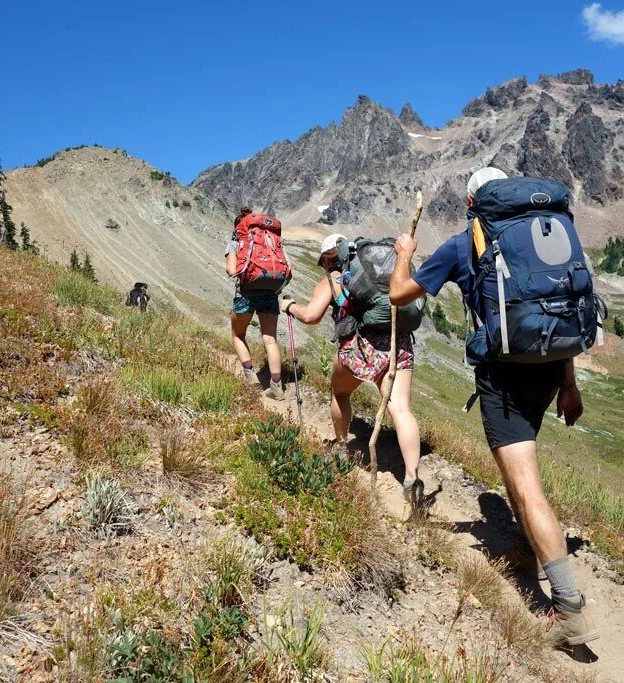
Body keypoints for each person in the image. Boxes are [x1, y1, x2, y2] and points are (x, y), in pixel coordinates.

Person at [388, 168, 599, 647]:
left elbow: (400, 294)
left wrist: (404, 256)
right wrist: (569, 385)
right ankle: (531, 546)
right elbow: (557, 307)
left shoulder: (464, 244)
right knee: (519, 471)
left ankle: (569, 609)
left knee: (525, 488)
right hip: (548, 370)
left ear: (470, 201)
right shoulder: (545, 232)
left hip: (503, 375)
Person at [280, 234, 423, 502]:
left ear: (326, 259)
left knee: (340, 392)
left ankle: (342, 446)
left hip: (361, 345)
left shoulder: (332, 279)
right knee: (400, 408)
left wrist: (289, 307)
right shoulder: (374, 271)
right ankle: (412, 477)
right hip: (398, 342)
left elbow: (311, 316)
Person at [225, 207, 284, 399]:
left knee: (237, 334)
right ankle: (276, 386)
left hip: (247, 292)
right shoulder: (268, 238)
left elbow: (231, 270)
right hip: (270, 291)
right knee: (270, 339)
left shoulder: (236, 241)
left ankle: (251, 378)